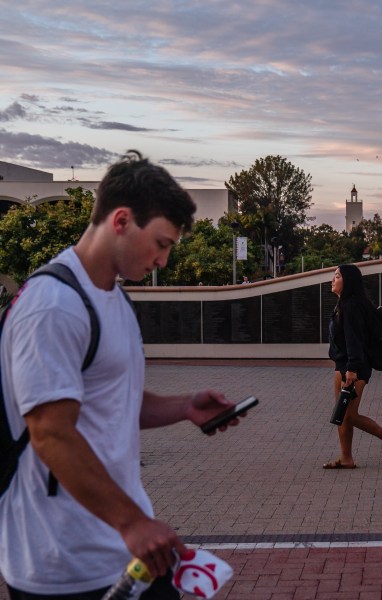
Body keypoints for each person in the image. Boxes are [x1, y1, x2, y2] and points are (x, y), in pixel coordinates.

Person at [0, 151, 242, 599]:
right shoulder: (53, 305)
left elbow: (111, 401)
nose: (163, 260)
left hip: (124, 550)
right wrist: (132, 522)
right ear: (122, 220)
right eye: (162, 243)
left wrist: (184, 407)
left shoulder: (112, 298)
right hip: (65, 563)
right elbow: (51, 433)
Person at [324, 264, 382, 469]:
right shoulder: (344, 304)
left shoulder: (351, 305)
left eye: (337, 276)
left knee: (348, 414)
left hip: (354, 367)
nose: (332, 280)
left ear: (348, 281)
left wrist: (352, 369)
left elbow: (355, 340)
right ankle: (346, 458)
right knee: (341, 414)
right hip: (342, 364)